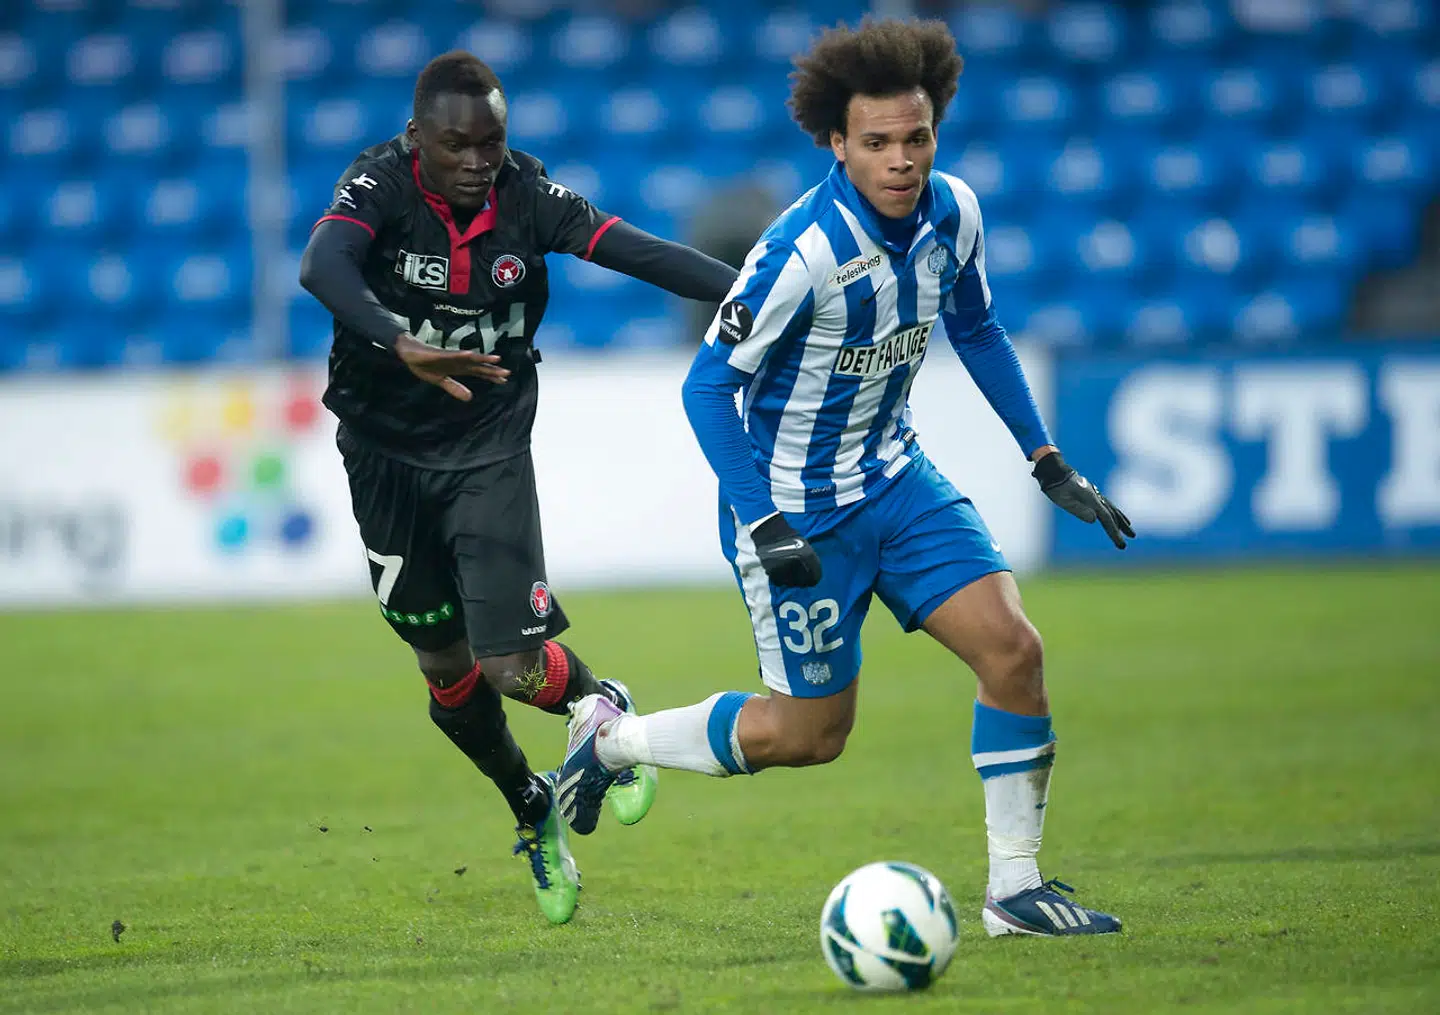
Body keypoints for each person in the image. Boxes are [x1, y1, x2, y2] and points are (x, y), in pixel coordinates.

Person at [555, 19, 1134, 937]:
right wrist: (765, 522)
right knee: (810, 735)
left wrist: (1043, 453)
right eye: (877, 143)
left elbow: (976, 329)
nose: (901, 160)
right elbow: (708, 387)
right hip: (797, 514)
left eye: (917, 138)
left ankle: (1016, 890)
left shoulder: (956, 213)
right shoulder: (801, 251)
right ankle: (614, 741)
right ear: (836, 142)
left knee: (1014, 650)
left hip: (898, 482)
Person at [298, 51, 737, 925]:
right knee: (445, 673)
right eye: (456, 144)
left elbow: (632, 249)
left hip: (486, 444)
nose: (474, 161)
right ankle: (531, 807)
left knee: (506, 664)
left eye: (490, 144)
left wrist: (752, 290)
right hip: (381, 453)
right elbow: (322, 267)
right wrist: (399, 341)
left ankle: (602, 708)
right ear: (417, 136)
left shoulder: (529, 197)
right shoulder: (378, 186)